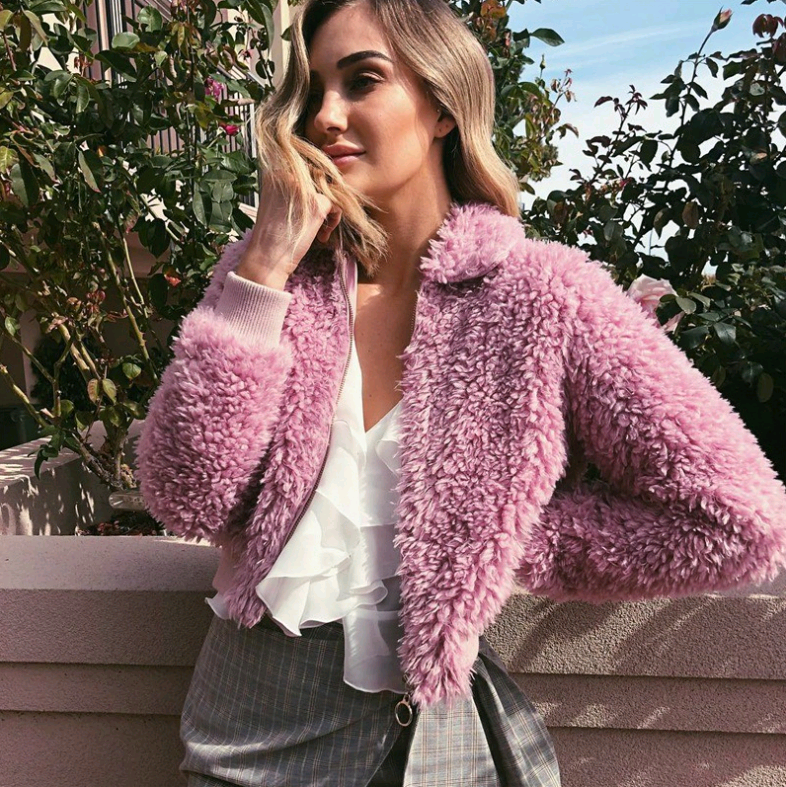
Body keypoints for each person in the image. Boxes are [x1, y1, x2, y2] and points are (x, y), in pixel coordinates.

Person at [136, 0, 786, 784]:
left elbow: (737, 516)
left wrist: (500, 539)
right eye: (312, 95)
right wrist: (265, 267)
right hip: (251, 729)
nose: (325, 117)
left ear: (443, 105)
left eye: (362, 81)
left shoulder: (542, 294)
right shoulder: (270, 283)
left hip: (439, 744)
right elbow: (185, 496)